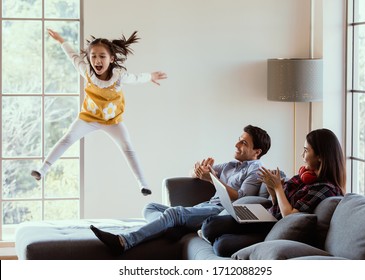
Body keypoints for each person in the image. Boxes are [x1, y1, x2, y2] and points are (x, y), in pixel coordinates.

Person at [89, 125, 271, 255]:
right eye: (238, 140)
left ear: (257, 151)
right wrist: (199, 170)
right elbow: (193, 173)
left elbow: (240, 199)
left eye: (244, 143)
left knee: (174, 214)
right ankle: (173, 230)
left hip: (221, 212)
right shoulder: (231, 165)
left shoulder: (256, 170)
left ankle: (124, 241)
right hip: (207, 206)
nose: (237, 145)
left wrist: (213, 179)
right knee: (150, 207)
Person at [31, 29, 167, 196]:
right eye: (93, 56)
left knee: (127, 147)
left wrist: (150, 76)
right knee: (67, 139)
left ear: (112, 59)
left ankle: (143, 184)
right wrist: (61, 41)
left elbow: (136, 78)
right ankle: (42, 170)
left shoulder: (118, 77)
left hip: (112, 121)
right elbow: (73, 56)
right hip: (88, 118)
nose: (97, 60)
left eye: (102, 56)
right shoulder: (86, 72)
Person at [198, 128, 346, 256]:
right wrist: (272, 189)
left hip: (272, 229)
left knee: (221, 246)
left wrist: (278, 188)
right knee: (210, 225)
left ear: (320, 156)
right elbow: (278, 204)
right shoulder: (305, 177)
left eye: (306, 150)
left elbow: (289, 216)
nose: (302, 155)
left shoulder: (324, 188)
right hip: (267, 217)